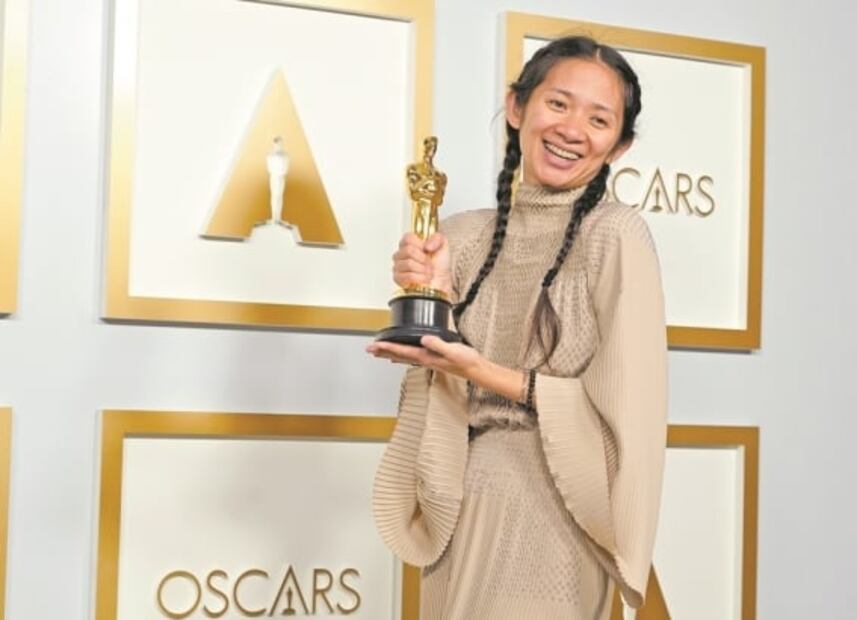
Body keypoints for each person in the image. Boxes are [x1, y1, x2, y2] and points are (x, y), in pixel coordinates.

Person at [367, 35, 667, 620]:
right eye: (558, 103)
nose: (572, 129)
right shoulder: (463, 234)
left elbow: (628, 410)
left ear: (620, 145)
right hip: (459, 505)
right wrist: (433, 298)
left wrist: (482, 370)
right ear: (516, 107)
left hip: (557, 510)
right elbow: (436, 385)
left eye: (599, 119)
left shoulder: (615, 234)